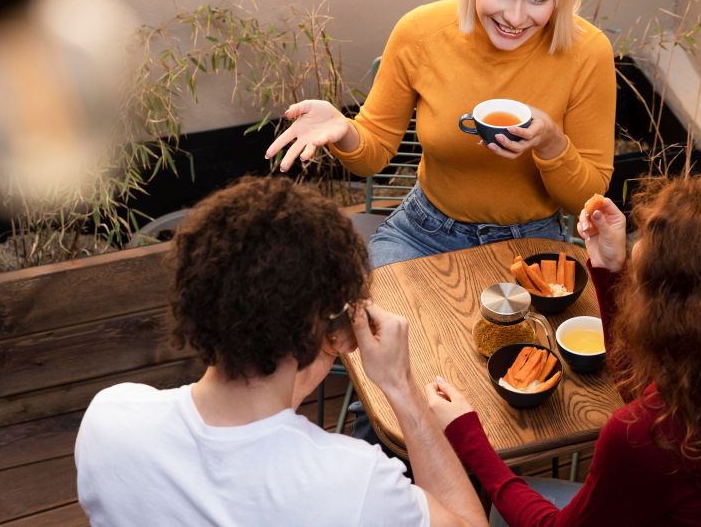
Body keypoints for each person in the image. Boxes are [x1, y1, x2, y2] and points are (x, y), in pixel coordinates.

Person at [74, 176, 488, 527]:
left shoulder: (110, 422)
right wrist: (401, 388)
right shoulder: (355, 483)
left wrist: (315, 346)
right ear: (327, 323)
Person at [426, 176, 701, 526]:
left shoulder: (639, 437)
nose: (635, 249)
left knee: (485, 506)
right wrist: (608, 270)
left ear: (671, 314)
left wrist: (468, 435)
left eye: (642, 273)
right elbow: (646, 391)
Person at [265, 0, 616, 268]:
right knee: (384, 320)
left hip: (532, 240)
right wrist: (344, 129)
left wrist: (551, 143)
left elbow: (586, 199)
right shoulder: (420, 33)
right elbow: (373, 153)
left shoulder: (588, 52)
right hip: (423, 232)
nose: (514, 17)